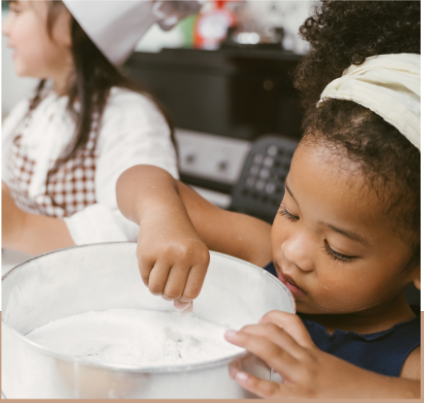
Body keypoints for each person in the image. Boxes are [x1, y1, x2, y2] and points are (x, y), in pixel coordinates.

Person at [115, 1, 420, 398]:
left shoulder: (411, 359)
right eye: (289, 211)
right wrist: (161, 217)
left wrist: (345, 386)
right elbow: (144, 179)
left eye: (338, 249)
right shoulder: (263, 255)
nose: (292, 252)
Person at [1, 0, 199, 255]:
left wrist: (21, 228)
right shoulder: (33, 106)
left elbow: (136, 231)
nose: (5, 27)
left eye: (17, 10)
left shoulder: (129, 114)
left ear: (68, 24)